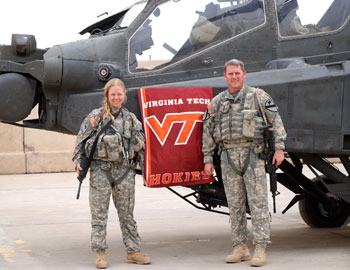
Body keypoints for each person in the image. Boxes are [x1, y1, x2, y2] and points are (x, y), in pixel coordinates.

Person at [202, 59, 286, 267]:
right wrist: (207, 159)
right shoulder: (217, 102)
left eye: (237, 73)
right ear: (225, 76)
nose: (234, 76)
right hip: (228, 158)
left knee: (258, 203)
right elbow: (207, 132)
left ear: (244, 74)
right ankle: (239, 247)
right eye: (230, 73)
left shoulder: (258, 96)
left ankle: (260, 247)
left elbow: (275, 121)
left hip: (253, 156)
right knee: (235, 205)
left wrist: (279, 148)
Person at [72, 78, 151, 269]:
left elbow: (142, 145)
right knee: (99, 215)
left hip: (124, 171)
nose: (116, 97)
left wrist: (143, 166)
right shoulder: (96, 117)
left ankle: (133, 251)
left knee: (127, 215)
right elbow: (81, 141)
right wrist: (78, 163)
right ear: (107, 95)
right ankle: (100, 253)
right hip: (101, 171)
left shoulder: (131, 119)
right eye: (113, 94)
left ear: (124, 96)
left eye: (119, 94)